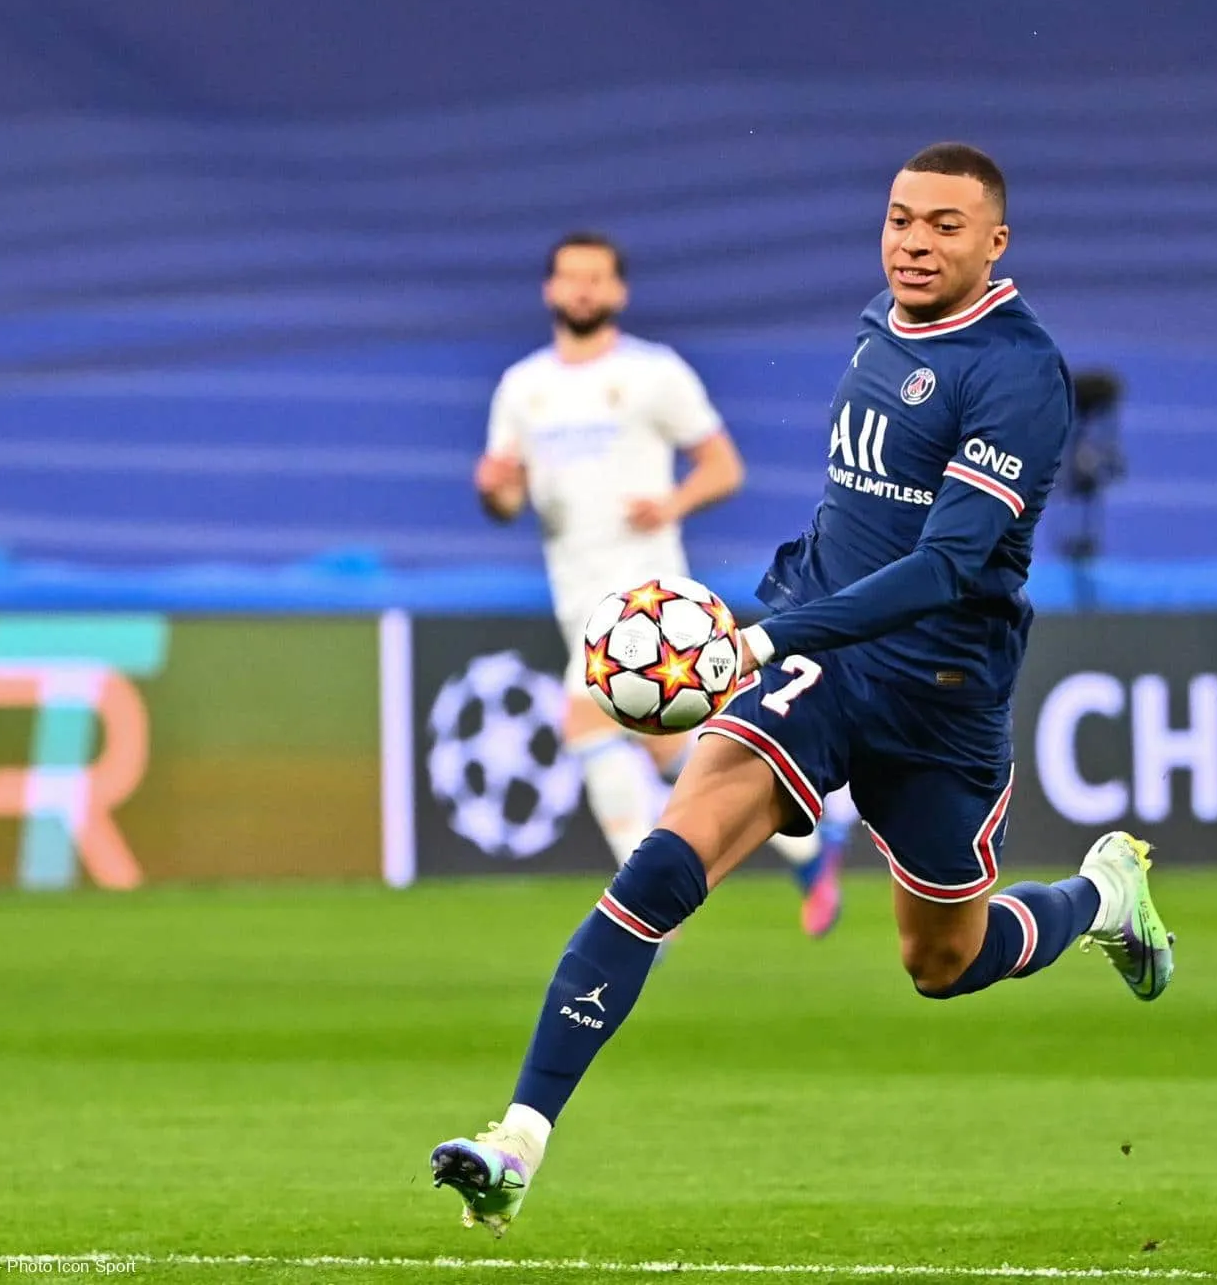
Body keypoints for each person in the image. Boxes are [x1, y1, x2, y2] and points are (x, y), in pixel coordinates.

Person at [433, 146, 1175, 1236]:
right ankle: (515, 1142)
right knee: (663, 861)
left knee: (944, 960)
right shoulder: (882, 321)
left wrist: (759, 629)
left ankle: (1102, 898)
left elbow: (944, 567)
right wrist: (775, 634)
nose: (916, 243)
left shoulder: (1018, 375)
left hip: (941, 691)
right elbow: (850, 509)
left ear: (996, 242)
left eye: (945, 227)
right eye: (900, 220)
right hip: (818, 663)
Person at [476, 232, 847, 935]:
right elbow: (505, 499)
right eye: (570, 277)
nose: (583, 289)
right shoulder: (522, 388)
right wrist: (495, 490)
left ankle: (646, 907)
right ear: (549, 290)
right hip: (574, 591)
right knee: (671, 745)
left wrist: (669, 505)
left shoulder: (654, 373)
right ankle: (807, 847)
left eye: (596, 278)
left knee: (583, 715)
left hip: (648, 600)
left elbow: (723, 467)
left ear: (617, 292)